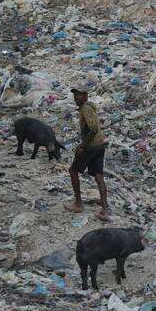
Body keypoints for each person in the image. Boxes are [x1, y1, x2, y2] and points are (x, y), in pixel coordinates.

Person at [64, 86, 110, 221]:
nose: (76, 98)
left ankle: (78, 204)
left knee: (73, 171)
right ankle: (104, 210)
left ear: (85, 95)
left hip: (91, 147)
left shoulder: (85, 108)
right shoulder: (90, 107)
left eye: (78, 95)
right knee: (99, 176)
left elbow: (93, 129)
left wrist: (82, 146)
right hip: (100, 145)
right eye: (74, 95)